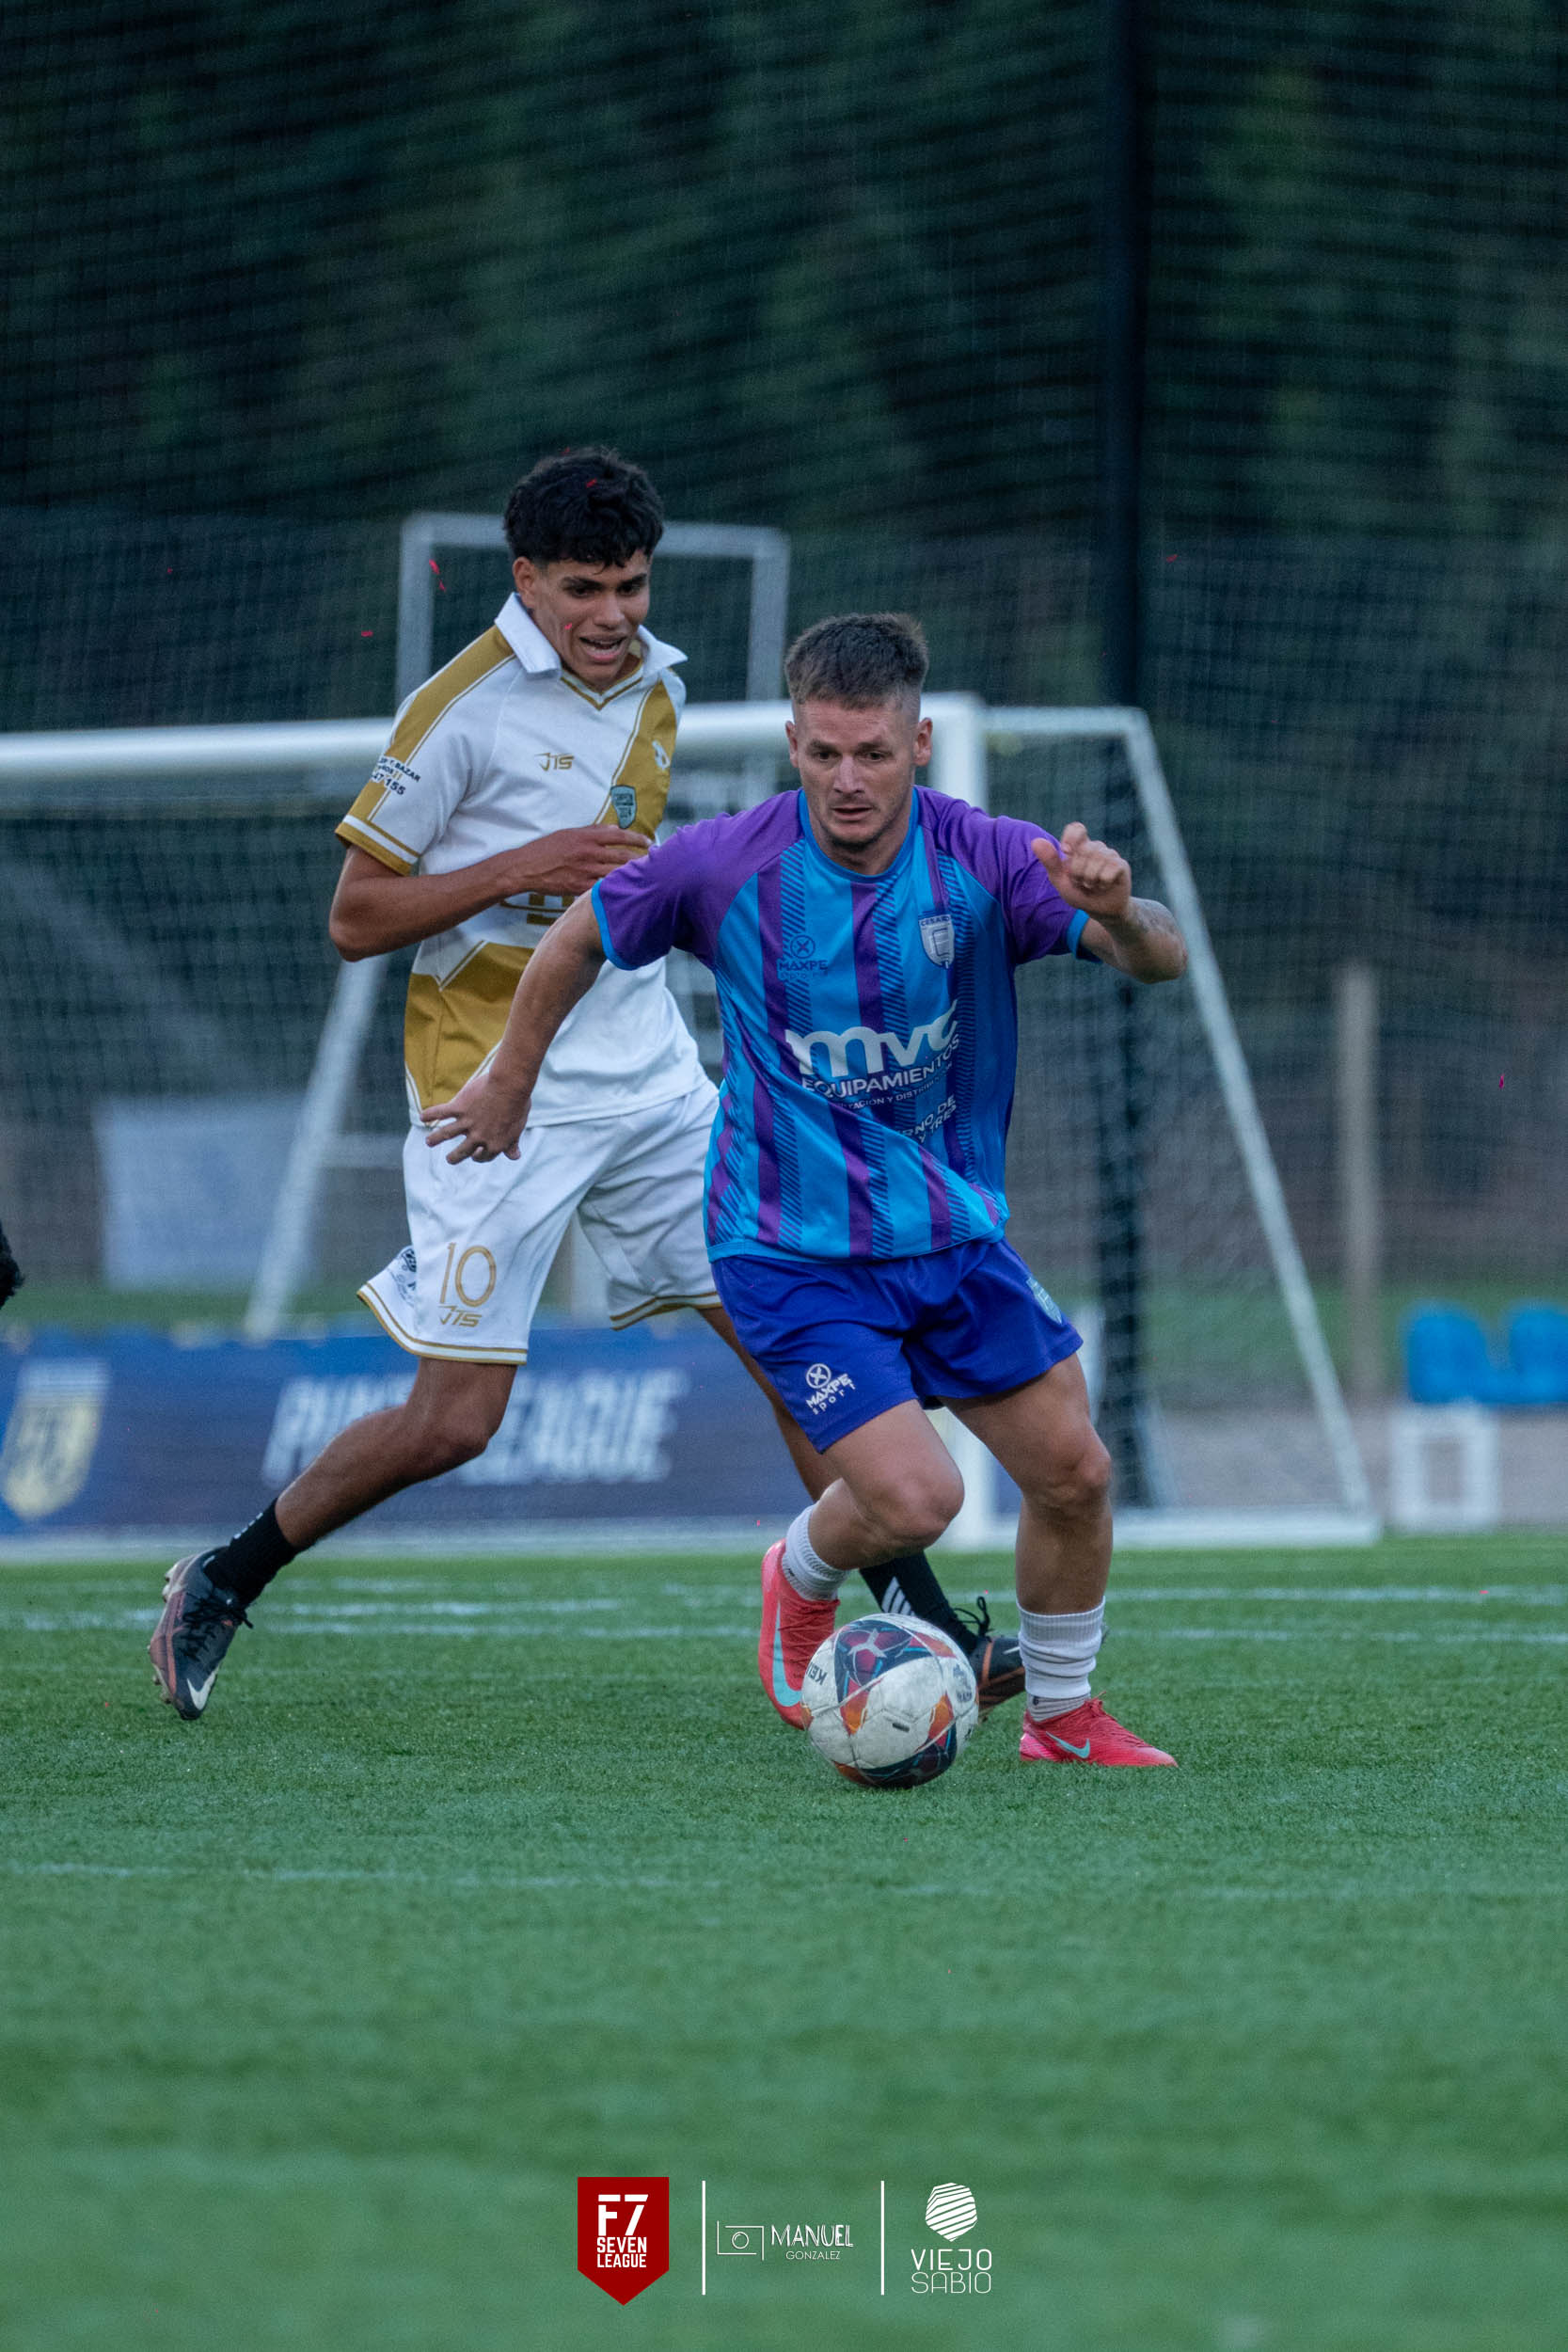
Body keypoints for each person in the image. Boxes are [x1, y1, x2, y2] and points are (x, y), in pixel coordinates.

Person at [150, 458, 1017, 1722]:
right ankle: (223, 1578)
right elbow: (355, 917)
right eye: (582, 589)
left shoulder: (659, 685)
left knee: (793, 1351)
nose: (612, 614)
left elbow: (628, 900)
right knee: (454, 1422)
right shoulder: (459, 711)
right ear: (525, 581)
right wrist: (525, 865)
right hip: (493, 1095)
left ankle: (925, 1629)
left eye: (630, 585)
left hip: (654, 1085)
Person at [423, 611, 1190, 1766]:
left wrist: (1120, 908)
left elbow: (1156, 958)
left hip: (951, 1239)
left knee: (1075, 1473)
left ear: (917, 743)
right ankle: (801, 1568)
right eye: (823, 752)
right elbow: (578, 932)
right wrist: (512, 1079)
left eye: (872, 753)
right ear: (793, 742)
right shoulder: (725, 863)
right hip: (789, 1250)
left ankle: (1060, 1718)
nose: (846, 779)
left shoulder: (988, 858)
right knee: (918, 1499)